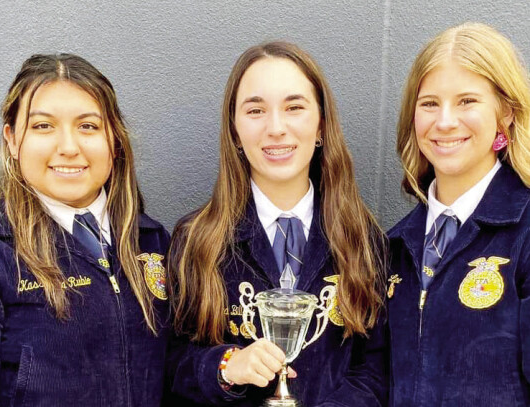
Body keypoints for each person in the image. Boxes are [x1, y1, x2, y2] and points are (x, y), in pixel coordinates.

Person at [165, 41, 387, 406]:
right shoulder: (194, 240)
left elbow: (376, 367)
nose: (276, 127)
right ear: (235, 132)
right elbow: (172, 365)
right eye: (255, 110)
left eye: (294, 107)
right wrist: (227, 366)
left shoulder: (364, 240)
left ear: (321, 126)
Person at [0, 54, 171, 406]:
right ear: (12, 140)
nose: (69, 147)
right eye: (43, 126)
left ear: (113, 139)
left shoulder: (152, 242)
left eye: (88, 126)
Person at [388, 22, 530, 406]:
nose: (445, 121)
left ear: (507, 113)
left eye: (467, 101)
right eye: (429, 103)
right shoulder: (394, 246)